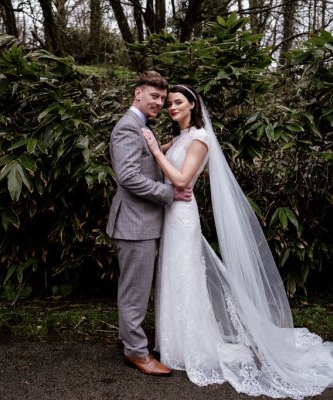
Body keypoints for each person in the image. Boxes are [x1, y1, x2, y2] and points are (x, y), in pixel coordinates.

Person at [141, 84, 333, 398]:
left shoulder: (200, 138)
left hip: (183, 214)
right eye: (169, 103)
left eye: (177, 102)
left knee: (186, 277)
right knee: (173, 276)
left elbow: (183, 179)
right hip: (169, 215)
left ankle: (192, 346)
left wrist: (157, 151)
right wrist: (152, 143)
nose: (172, 108)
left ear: (192, 105)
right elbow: (162, 158)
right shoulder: (182, 137)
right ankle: (174, 345)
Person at [106, 71, 193, 376]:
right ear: (138, 93)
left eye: (162, 97)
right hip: (134, 222)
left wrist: (175, 143)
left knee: (133, 286)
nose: (158, 102)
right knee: (136, 290)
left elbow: (148, 159)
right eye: (153, 96)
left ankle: (128, 336)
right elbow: (128, 177)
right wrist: (170, 192)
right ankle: (136, 352)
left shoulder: (142, 126)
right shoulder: (128, 128)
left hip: (139, 221)